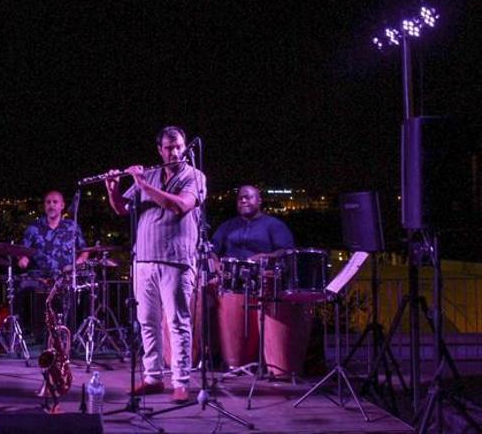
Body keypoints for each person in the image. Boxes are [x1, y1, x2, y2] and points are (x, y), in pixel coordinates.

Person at [104, 125, 205, 403]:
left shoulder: (194, 176)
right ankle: (152, 378)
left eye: (179, 146)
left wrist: (143, 185)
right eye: (169, 147)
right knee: (147, 322)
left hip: (177, 260)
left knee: (177, 322)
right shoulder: (148, 175)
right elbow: (122, 210)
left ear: (185, 147)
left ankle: (181, 381)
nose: (174, 151)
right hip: (144, 259)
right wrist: (113, 190)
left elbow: (181, 206)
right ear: (159, 150)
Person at [16, 190, 89, 343]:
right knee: (22, 293)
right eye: (48, 202)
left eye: (55, 202)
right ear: (44, 206)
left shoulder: (72, 227)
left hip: (65, 278)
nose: (51, 205)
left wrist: (78, 263)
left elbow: (84, 251)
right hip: (41, 279)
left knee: (81, 298)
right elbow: (23, 251)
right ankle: (35, 336)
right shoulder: (34, 228)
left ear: (62, 205)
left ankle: (70, 338)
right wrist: (23, 259)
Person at [211, 185, 294, 262]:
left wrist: (266, 257)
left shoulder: (275, 225)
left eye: (248, 198)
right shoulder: (227, 225)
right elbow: (211, 250)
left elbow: (287, 251)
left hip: (262, 274)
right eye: (240, 198)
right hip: (229, 275)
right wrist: (215, 263)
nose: (243, 201)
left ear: (259, 201)